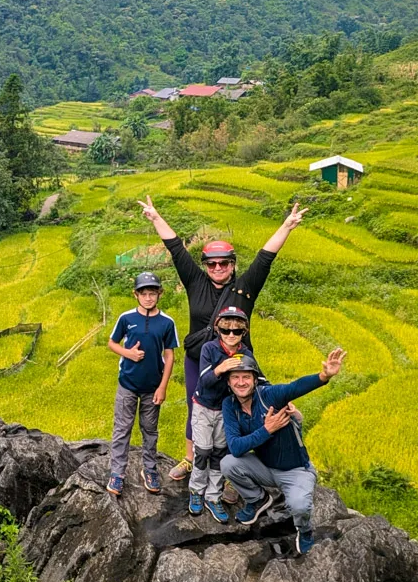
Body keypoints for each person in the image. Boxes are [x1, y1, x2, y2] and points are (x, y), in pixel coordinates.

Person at [138, 196, 307, 481]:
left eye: (224, 264)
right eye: (212, 264)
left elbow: (265, 257)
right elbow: (176, 248)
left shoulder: (245, 288)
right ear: (204, 265)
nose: (218, 269)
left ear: (232, 264)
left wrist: (287, 226)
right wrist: (155, 217)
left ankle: (233, 468)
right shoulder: (195, 282)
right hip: (199, 360)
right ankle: (191, 458)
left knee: (240, 409)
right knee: (197, 406)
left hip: (238, 361)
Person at [220, 348, 347, 554]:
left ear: (255, 380)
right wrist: (267, 429)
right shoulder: (230, 405)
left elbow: (294, 388)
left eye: (246, 377)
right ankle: (257, 500)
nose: (241, 382)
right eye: (235, 377)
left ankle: (304, 531)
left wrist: (324, 376)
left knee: (299, 506)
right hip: (265, 468)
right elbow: (235, 447)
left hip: (296, 470)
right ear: (228, 382)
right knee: (228, 463)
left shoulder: (269, 396)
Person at [106, 271, 178, 497]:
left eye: (152, 293)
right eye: (144, 293)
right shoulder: (126, 318)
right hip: (127, 384)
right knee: (122, 429)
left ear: (160, 294)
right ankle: (117, 473)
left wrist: (163, 387)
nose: (148, 298)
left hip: (152, 387)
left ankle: (149, 469)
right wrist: (128, 353)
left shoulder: (167, 323)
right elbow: (111, 343)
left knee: (150, 430)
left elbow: (170, 356)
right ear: (135, 295)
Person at [188, 305, 258, 521]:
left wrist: (281, 398)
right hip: (203, 406)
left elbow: (259, 379)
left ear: (243, 333)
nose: (231, 335)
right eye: (226, 330)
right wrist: (221, 368)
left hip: (226, 410)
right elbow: (204, 381)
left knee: (220, 451)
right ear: (218, 330)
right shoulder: (209, 349)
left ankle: (213, 495)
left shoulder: (245, 354)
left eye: (236, 331)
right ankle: (196, 491)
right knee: (203, 450)